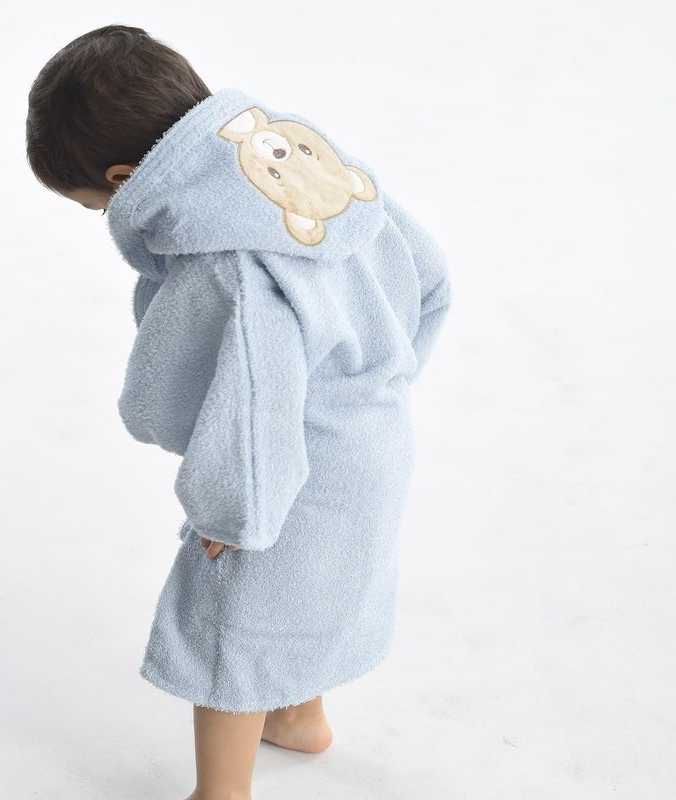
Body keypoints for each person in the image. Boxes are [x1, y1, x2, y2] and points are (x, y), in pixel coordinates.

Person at [26, 24, 452, 800]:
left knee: (233, 628)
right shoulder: (313, 170)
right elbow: (428, 276)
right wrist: (384, 383)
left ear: (127, 178)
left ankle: (220, 791)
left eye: (98, 206)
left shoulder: (226, 260)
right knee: (307, 599)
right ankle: (300, 717)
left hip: (288, 471)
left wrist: (233, 510)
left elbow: (254, 395)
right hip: (375, 441)